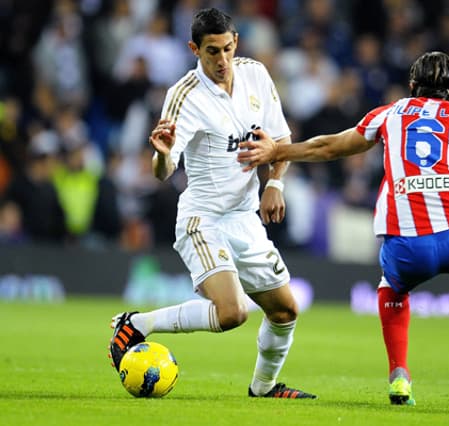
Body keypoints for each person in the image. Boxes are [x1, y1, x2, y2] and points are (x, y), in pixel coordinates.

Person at [238, 51, 449, 405]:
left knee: (393, 289)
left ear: (412, 85)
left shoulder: (390, 113)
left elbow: (329, 147)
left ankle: (399, 375)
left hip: (407, 243)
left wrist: (278, 150)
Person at [108, 7, 316, 400]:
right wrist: (161, 154)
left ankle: (265, 387)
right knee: (232, 312)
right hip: (202, 218)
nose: (222, 61)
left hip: (244, 216)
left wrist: (276, 184)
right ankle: (137, 323)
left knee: (285, 311)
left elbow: (280, 140)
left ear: (236, 41)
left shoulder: (255, 74)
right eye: (211, 52)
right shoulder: (184, 96)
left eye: (227, 49)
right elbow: (163, 172)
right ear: (194, 49)